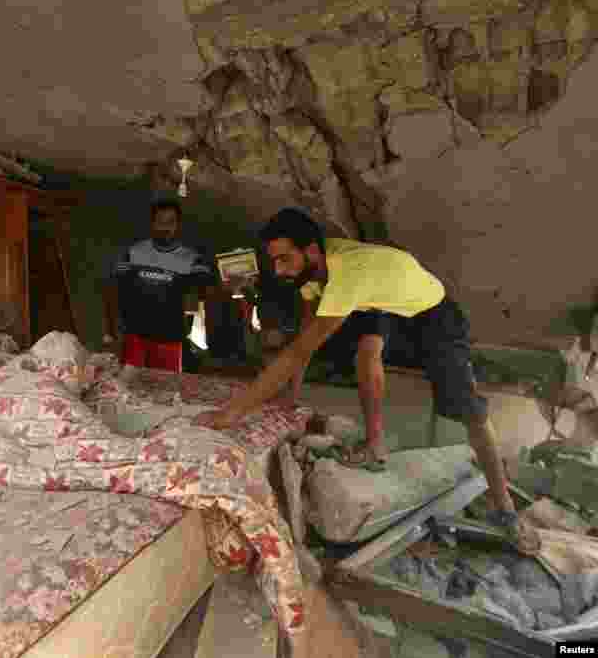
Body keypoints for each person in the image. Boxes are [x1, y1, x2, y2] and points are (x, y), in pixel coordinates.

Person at [194, 207, 540, 554]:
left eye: (284, 259)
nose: (279, 270)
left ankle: (505, 508)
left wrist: (232, 413)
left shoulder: (348, 274)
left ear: (311, 251)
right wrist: (290, 398)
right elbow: (304, 336)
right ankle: (375, 446)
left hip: (432, 313)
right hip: (382, 302)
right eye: (275, 262)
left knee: (467, 408)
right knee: (365, 353)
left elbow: (298, 351)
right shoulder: (312, 273)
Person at [101, 195, 222, 373]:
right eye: (160, 221)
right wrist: (110, 332)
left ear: (178, 225)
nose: (165, 227)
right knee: (130, 386)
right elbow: (112, 290)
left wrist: (231, 282)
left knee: (166, 389)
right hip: (135, 337)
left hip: (171, 339)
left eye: (171, 222)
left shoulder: (192, 260)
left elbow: (208, 291)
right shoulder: (133, 254)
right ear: (152, 223)